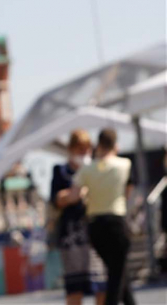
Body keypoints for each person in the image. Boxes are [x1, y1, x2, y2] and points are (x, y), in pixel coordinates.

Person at [74, 128, 136, 305]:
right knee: (117, 274)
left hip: (95, 227)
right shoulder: (125, 164)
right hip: (116, 223)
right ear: (115, 144)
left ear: (99, 144)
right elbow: (127, 194)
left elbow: (78, 194)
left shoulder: (88, 169)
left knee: (118, 271)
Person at [51, 130, 107, 305]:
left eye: (86, 149)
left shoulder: (95, 169)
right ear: (71, 149)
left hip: (95, 233)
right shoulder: (60, 171)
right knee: (75, 287)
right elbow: (56, 199)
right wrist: (73, 195)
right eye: (80, 149)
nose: (84, 153)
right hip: (72, 237)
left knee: (101, 284)